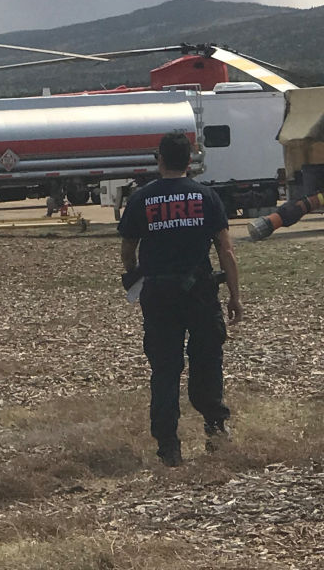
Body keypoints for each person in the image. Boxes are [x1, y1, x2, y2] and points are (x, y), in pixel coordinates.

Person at [117, 132, 243, 467]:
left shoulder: (141, 200)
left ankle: (169, 447)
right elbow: (226, 251)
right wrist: (234, 296)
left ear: (159, 158)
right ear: (190, 160)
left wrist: (134, 276)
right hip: (200, 292)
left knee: (165, 369)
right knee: (207, 361)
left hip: (158, 295)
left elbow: (127, 250)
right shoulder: (208, 198)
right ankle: (216, 428)